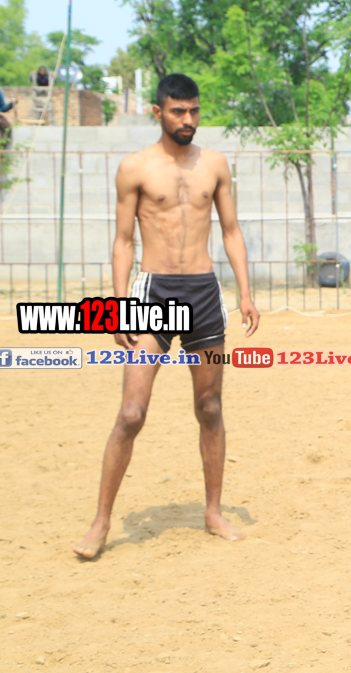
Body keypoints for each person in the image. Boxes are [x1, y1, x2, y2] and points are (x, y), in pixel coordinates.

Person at [72, 73, 261, 559]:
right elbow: (123, 241)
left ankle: (213, 512)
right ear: (157, 112)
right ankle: (101, 522)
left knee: (210, 407)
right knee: (131, 413)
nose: (188, 119)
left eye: (194, 110)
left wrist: (245, 292)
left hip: (203, 293)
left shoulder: (214, 164)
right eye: (178, 111)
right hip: (153, 293)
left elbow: (231, 230)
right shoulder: (135, 167)